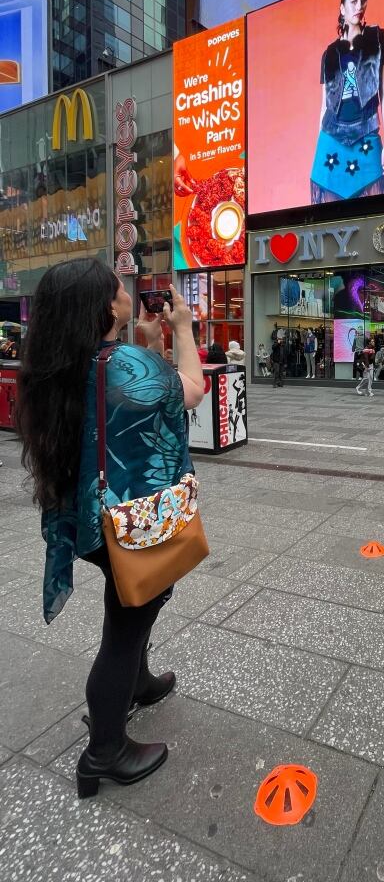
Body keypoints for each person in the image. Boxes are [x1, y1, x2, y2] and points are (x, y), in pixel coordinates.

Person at [16, 259, 204, 797]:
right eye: (119, 290)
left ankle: (138, 683)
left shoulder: (62, 363)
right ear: (105, 307)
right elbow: (190, 390)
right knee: (128, 619)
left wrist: (146, 344)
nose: (128, 294)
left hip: (90, 517)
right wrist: (184, 328)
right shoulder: (122, 363)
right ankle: (105, 751)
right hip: (129, 519)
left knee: (130, 594)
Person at [310, 0, 384, 205]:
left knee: (376, 212)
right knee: (329, 218)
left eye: (363, 1)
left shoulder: (377, 39)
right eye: (354, 1)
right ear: (342, 8)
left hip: (366, 132)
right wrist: (320, 144)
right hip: (332, 136)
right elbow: (324, 106)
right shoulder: (329, 54)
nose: (360, 7)